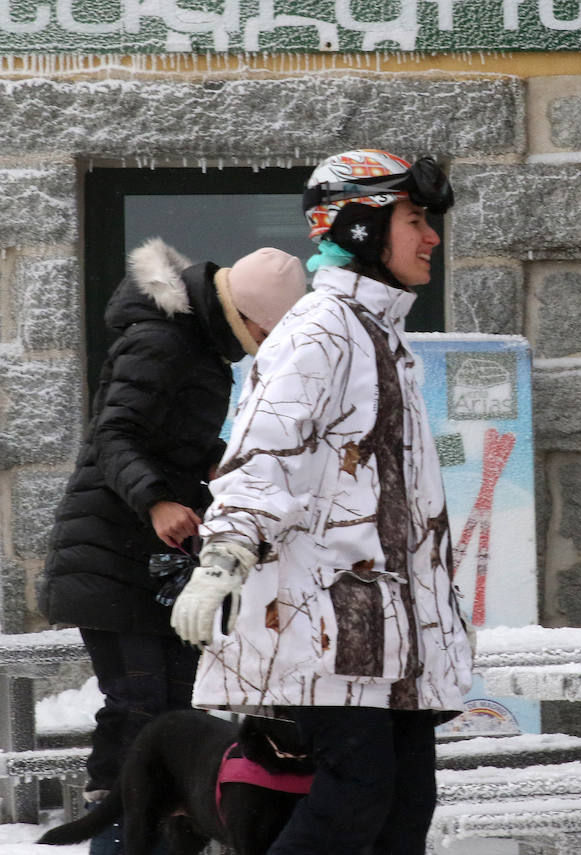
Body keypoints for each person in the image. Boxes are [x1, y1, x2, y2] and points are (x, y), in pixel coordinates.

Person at [169, 149, 473, 855]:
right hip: (330, 623)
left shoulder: (382, 337)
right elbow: (264, 451)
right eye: (414, 219)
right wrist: (225, 554)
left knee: (403, 807)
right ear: (363, 226)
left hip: (395, 631)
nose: (430, 237)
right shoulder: (319, 332)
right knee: (355, 800)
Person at [40, 239, 307, 855]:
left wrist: (218, 466)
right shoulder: (161, 342)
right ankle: (113, 835)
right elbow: (115, 435)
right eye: (270, 334)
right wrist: (160, 499)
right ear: (249, 318)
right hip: (110, 557)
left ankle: (156, 837)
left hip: (151, 563)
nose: (269, 348)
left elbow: (170, 439)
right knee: (139, 708)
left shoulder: (196, 348)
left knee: (177, 710)